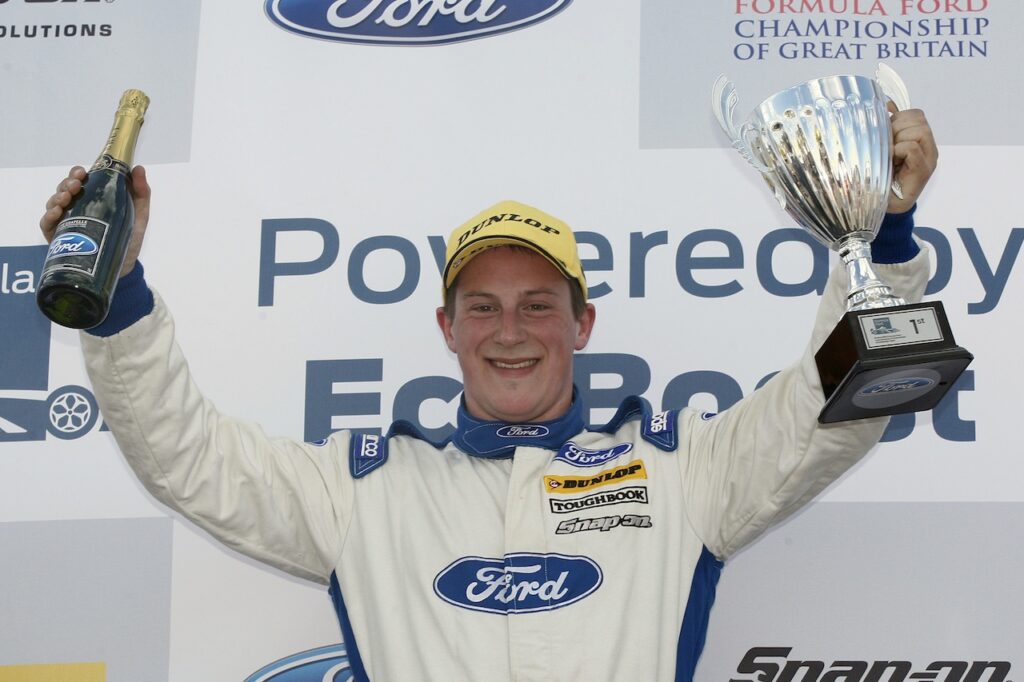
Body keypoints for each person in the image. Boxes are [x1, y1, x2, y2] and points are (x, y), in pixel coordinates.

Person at [40, 109, 937, 681]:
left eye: (538, 306)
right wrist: (115, 297)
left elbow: (832, 410)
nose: (511, 332)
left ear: (581, 326)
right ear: (448, 330)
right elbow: (186, 459)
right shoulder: (363, 488)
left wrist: (885, 236)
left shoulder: (682, 469)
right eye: (485, 308)